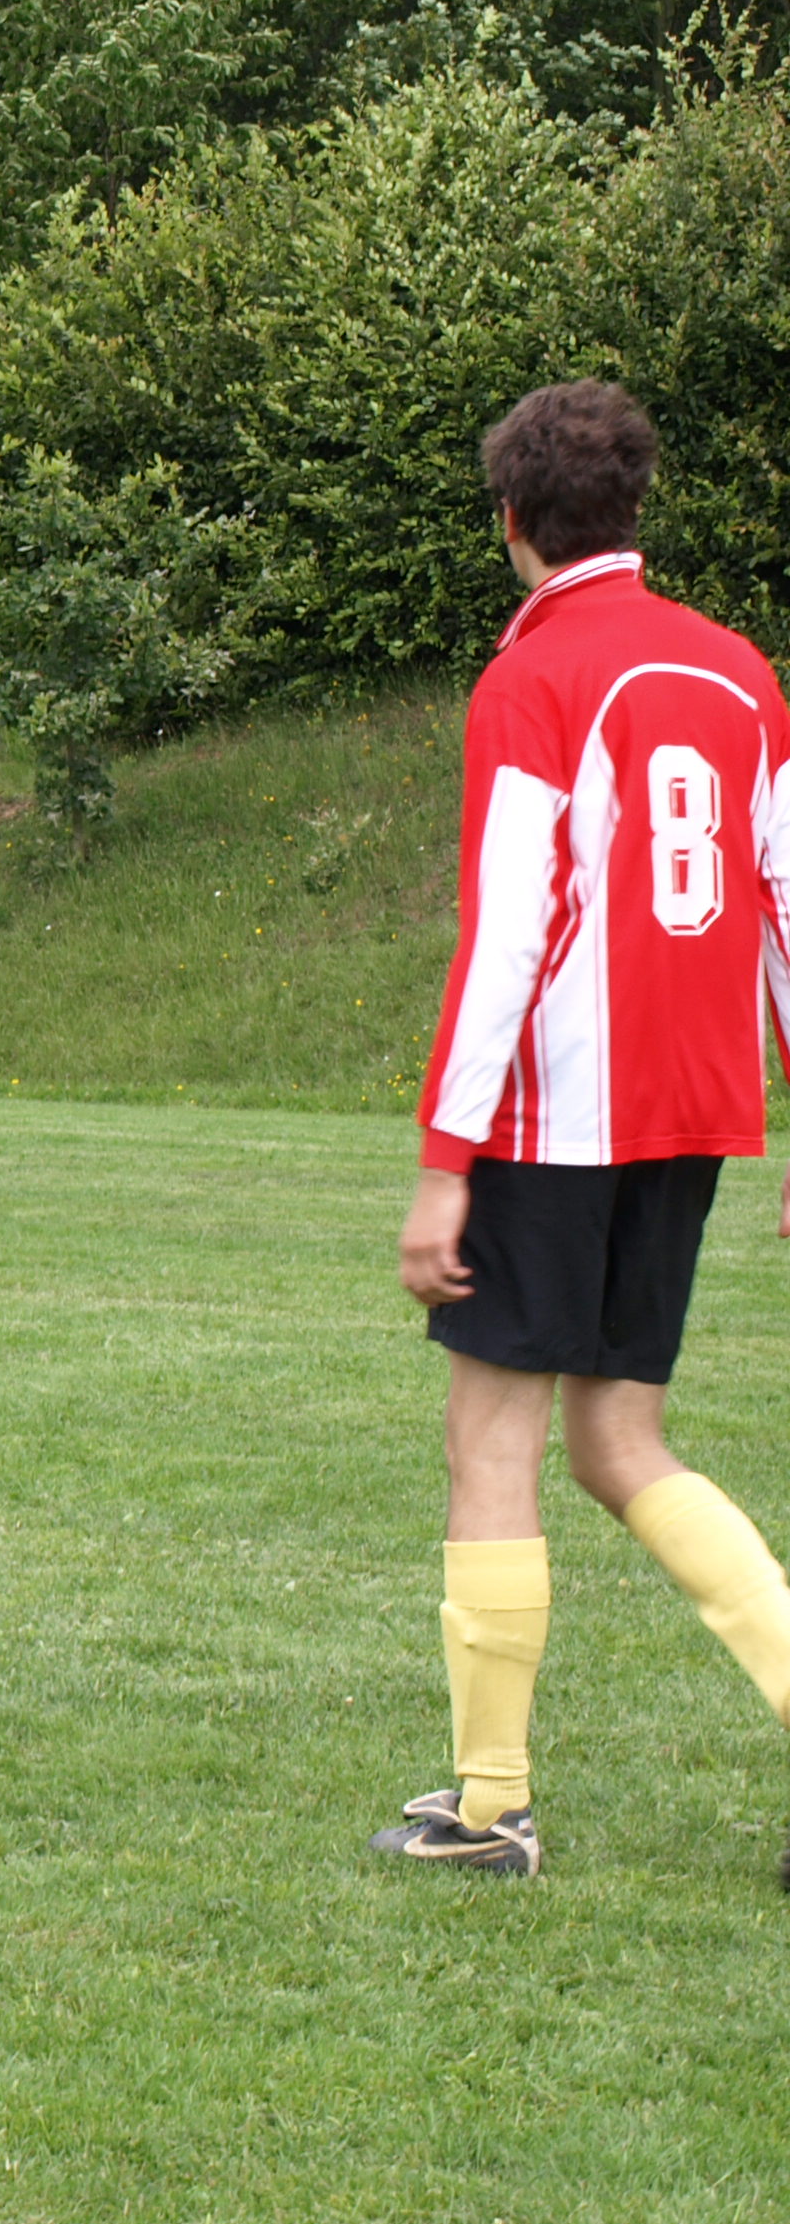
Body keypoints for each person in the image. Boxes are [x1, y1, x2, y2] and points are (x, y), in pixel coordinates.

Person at [376, 381, 790, 1879]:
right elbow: (784, 905)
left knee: (493, 1436)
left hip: (555, 1113)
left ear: (512, 522)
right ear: (632, 509)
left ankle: (490, 1806)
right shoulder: (741, 670)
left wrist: (446, 1161)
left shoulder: (534, 676)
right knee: (620, 1441)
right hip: (694, 1112)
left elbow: (511, 931)